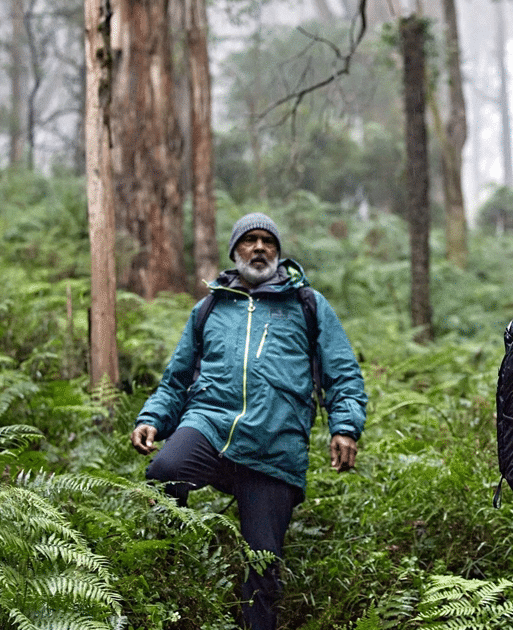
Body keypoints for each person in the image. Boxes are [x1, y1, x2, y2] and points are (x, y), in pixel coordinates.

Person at [130, 212, 367, 630]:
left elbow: (343, 372)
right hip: (210, 426)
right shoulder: (210, 307)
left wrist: (345, 427)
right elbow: (177, 378)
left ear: (277, 252)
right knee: (165, 470)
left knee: (262, 567)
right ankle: (173, 575)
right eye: (250, 241)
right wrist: (152, 418)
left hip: (274, 446)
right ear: (235, 251)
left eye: (268, 242)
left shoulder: (307, 304)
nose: (259, 248)